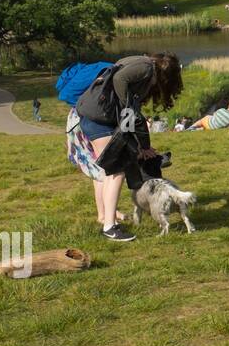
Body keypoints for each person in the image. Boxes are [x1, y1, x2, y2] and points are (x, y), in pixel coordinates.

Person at [69, 53, 183, 242]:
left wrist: (143, 146)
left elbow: (132, 120)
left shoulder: (139, 61)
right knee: (117, 171)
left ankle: (106, 219)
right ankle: (109, 227)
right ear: (165, 74)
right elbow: (119, 78)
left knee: (107, 172)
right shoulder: (147, 68)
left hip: (92, 114)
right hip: (98, 118)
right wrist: (126, 104)